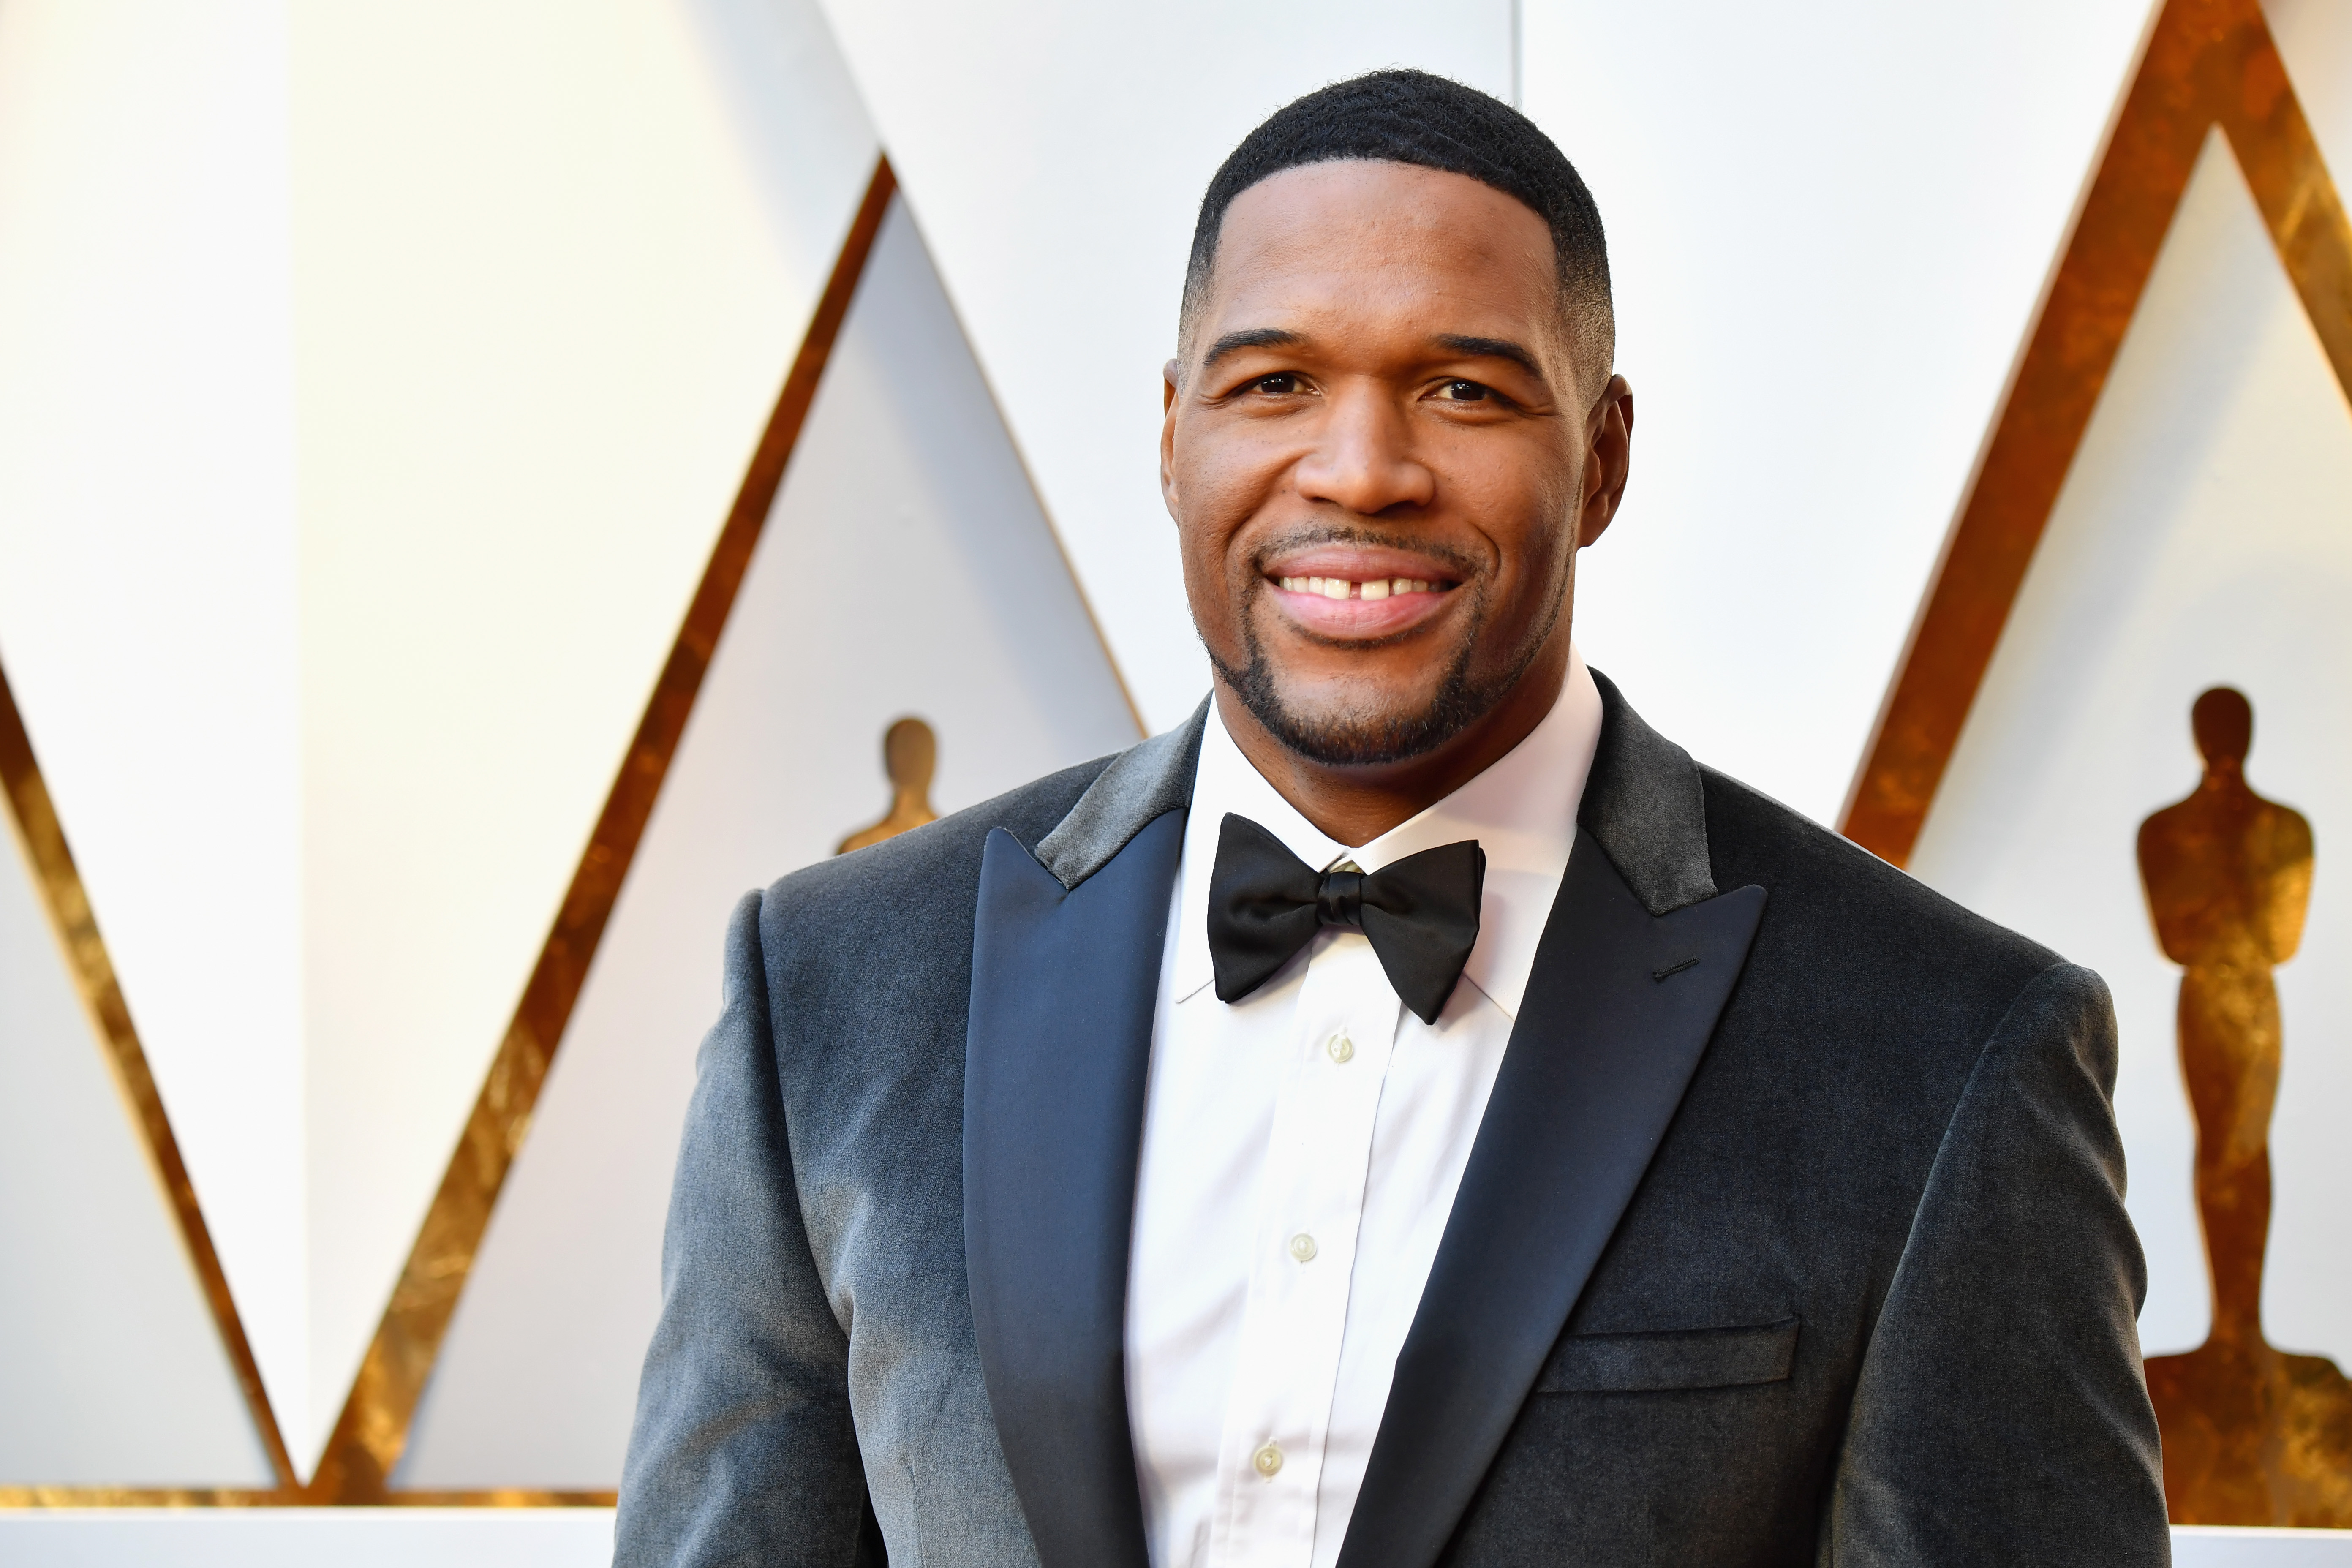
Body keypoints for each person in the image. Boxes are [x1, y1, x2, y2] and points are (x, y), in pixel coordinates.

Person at [615, 70, 2168, 1567]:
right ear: (1173, 438)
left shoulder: (1945, 1051)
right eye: (1276, 381)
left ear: (1603, 458)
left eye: (1463, 390)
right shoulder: (828, 995)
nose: (1360, 470)